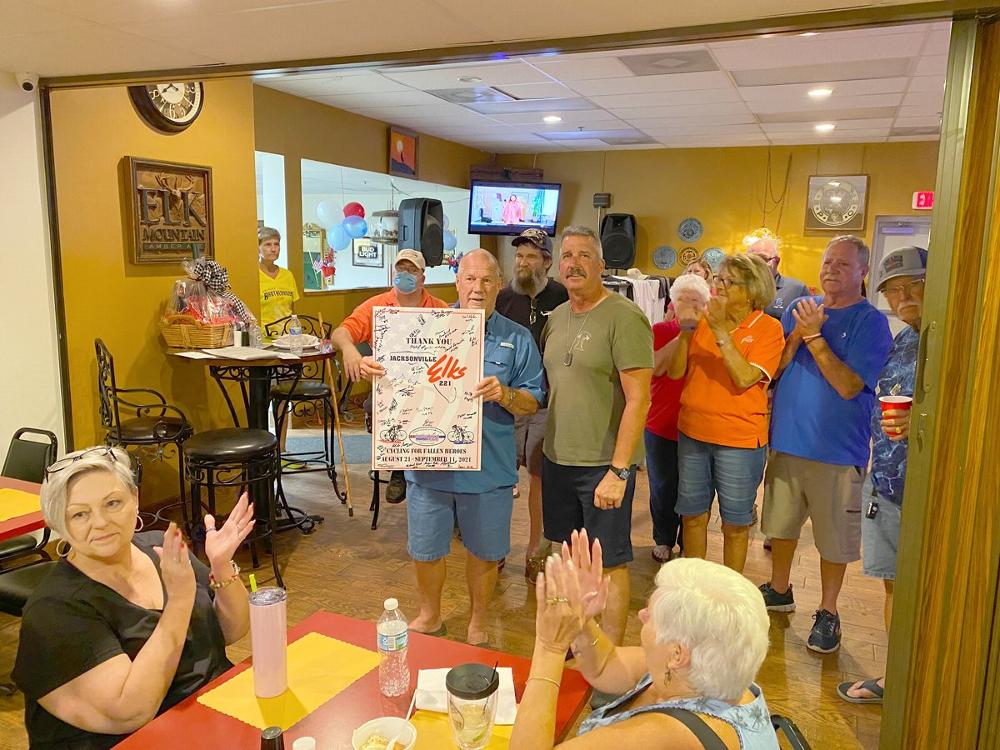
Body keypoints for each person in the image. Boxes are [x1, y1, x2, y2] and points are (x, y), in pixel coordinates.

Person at [13, 447, 254, 750]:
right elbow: (130, 713)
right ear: (58, 523)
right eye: (79, 514)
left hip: (216, 716)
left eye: (112, 503)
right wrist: (179, 601)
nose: (101, 522)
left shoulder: (157, 548)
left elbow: (230, 631)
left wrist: (221, 566)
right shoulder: (54, 610)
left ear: (135, 499)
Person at [360, 250, 544, 645]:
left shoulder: (518, 338)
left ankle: (479, 620)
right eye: (470, 279)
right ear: (457, 283)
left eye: (487, 279)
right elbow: (397, 374)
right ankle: (429, 615)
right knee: (425, 548)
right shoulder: (422, 329)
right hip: (429, 464)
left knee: (485, 550)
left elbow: (533, 401)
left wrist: (506, 394)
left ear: (499, 285)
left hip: (489, 469)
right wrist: (376, 368)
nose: (478, 288)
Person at [509, 530, 778, 749]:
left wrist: (550, 648)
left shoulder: (666, 734)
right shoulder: (705, 669)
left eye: (652, 615)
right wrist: (580, 619)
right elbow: (605, 666)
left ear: (677, 654)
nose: (641, 615)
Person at [760, 235, 893, 653]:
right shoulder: (801, 310)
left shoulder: (871, 323)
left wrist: (815, 337)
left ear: (863, 272)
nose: (831, 269)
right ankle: (779, 589)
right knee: (780, 527)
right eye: (828, 262)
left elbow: (849, 386)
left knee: (834, 540)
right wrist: (798, 335)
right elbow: (775, 370)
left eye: (843, 264)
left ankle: (829, 611)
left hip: (837, 452)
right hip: (786, 442)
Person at [541, 225, 652, 648]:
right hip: (558, 459)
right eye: (567, 255)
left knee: (609, 563)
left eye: (584, 255)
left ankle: (611, 656)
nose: (574, 263)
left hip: (603, 465)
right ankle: (579, 639)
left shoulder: (625, 317)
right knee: (569, 557)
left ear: (602, 265)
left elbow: (639, 398)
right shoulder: (556, 317)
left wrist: (619, 472)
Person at [838, 246, 927, 705]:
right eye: (893, 290)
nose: (903, 296)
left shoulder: (955, 338)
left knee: (927, 588)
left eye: (914, 285)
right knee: (893, 583)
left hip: (932, 493)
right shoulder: (904, 338)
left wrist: (924, 419)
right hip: (889, 482)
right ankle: (897, 677)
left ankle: (925, 683)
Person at [665, 254, 784, 573]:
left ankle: (730, 590)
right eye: (718, 279)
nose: (718, 286)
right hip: (693, 433)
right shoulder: (702, 321)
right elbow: (675, 373)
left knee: (734, 523)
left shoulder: (769, 328)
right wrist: (686, 331)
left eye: (728, 281)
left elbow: (745, 378)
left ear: (753, 290)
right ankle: (694, 584)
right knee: (692, 515)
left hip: (739, 441)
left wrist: (719, 331)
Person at [331, 249, 449, 503]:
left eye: (412, 270)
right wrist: (350, 350)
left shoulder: (439, 308)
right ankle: (399, 468)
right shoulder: (376, 306)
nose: (405, 274)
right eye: (401, 269)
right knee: (383, 406)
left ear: (422, 277)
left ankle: (434, 469)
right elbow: (340, 333)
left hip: (431, 386)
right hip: (390, 387)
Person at [495, 228, 569, 579]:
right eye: (519, 255)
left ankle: (536, 548)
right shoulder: (502, 298)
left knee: (540, 477)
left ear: (547, 262)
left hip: (547, 401)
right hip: (504, 400)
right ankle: (494, 547)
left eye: (531, 256)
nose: (523, 262)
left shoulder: (563, 297)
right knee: (499, 476)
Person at [747, 235, 810, 320]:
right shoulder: (739, 287)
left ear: (777, 261)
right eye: (751, 259)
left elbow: (808, 324)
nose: (756, 264)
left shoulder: (797, 290)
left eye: (763, 258)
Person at [258, 226, 299, 333]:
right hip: (264, 337)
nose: (273, 249)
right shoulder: (254, 276)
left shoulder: (288, 275)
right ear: (258, 248)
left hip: (288, 336)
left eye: (276, 244)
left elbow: (293, 310)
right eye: (268, 244)